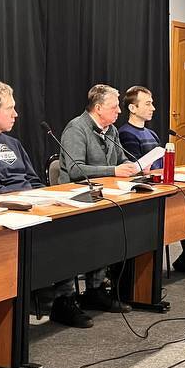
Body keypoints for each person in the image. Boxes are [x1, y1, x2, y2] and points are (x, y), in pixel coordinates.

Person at [0, 81, 92, 328]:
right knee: (54, 236)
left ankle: (64, 298)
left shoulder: (13, 142)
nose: (16, 114)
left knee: (72, 226)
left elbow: (33, 179)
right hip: (7, 211)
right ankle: (57, 299)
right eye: (10, 108)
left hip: (32, 203)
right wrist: (30, 199)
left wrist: (46, 197)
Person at [117, 85, 185, 275]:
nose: (153, 108)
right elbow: (133, 168)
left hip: (161, 184)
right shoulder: (125, 133)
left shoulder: (152, 134)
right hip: (145, 191)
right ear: (132, 108)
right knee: (184, 208)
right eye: (147, 104)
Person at [57, 84, 141, 312]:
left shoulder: (111, 130)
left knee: (114, 230)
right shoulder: (76, 129)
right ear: (98, 108)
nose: (119, 111)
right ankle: (66, 298)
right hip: (74, 198)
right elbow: (76, 170)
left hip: (104, 196)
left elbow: (122, 158)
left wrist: (131, 166)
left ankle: (96, 290)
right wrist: (113, 171)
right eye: (114, 107)